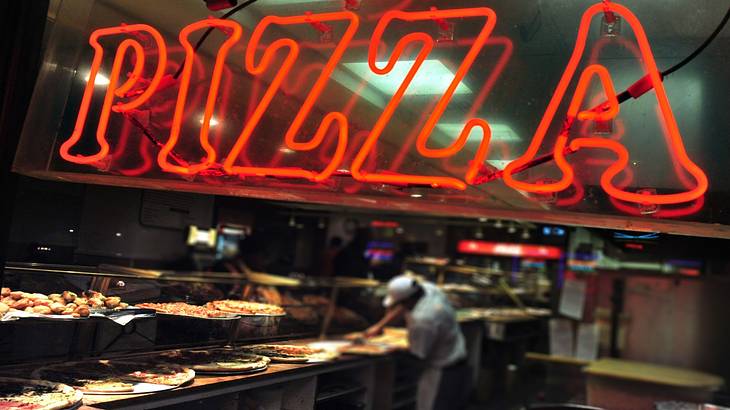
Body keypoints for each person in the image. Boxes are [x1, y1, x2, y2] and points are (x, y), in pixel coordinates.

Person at [365, 274, 470, 410]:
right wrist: (379, 326)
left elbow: (418, 356)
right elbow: (401, 308)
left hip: (442, 372)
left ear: (409, 299)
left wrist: (390, 349)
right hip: (455, 354)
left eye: (400, 302)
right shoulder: (427, 289)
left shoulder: (423, 320)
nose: (399, 306)